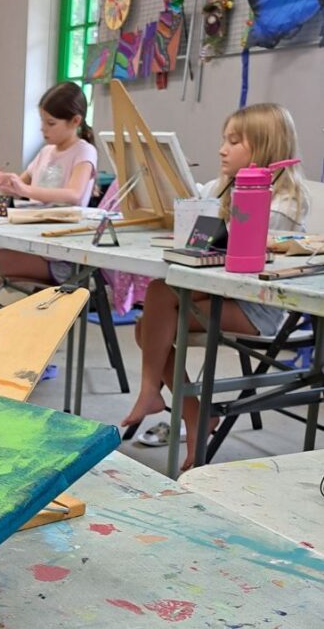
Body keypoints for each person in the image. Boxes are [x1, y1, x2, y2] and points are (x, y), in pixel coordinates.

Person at [121, 103, 311, 470]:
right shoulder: (219, 186)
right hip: (222, 291)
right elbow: (199, 240)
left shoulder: (282, 204)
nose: (222, 149)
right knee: (157, 299)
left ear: (265, 149)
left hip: (259, 306)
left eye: (234, 141)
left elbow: (241, 263)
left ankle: (179, 406)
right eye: (224, 140)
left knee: (151, 324)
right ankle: (189, 412)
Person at [0, 81, 98, 302]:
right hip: (36, 241)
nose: (43, 128)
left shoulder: (84, 151)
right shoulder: (46, 151)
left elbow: (74, 194)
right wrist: (4, 181)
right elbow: (18, 189)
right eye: (42, 121)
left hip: (60, 254)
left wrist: (24, 188)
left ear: (75, 121)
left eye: (51, 123)